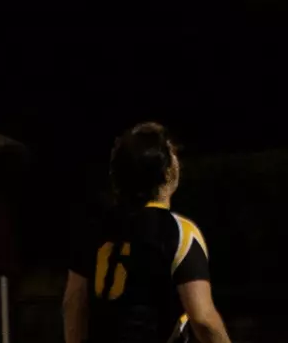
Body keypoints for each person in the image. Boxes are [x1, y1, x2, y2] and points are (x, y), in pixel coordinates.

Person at [63, 123, 232, 343]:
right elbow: (203, 320)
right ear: (167, 170)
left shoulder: (93, 229)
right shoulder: (179, 232)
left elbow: (73, 305)